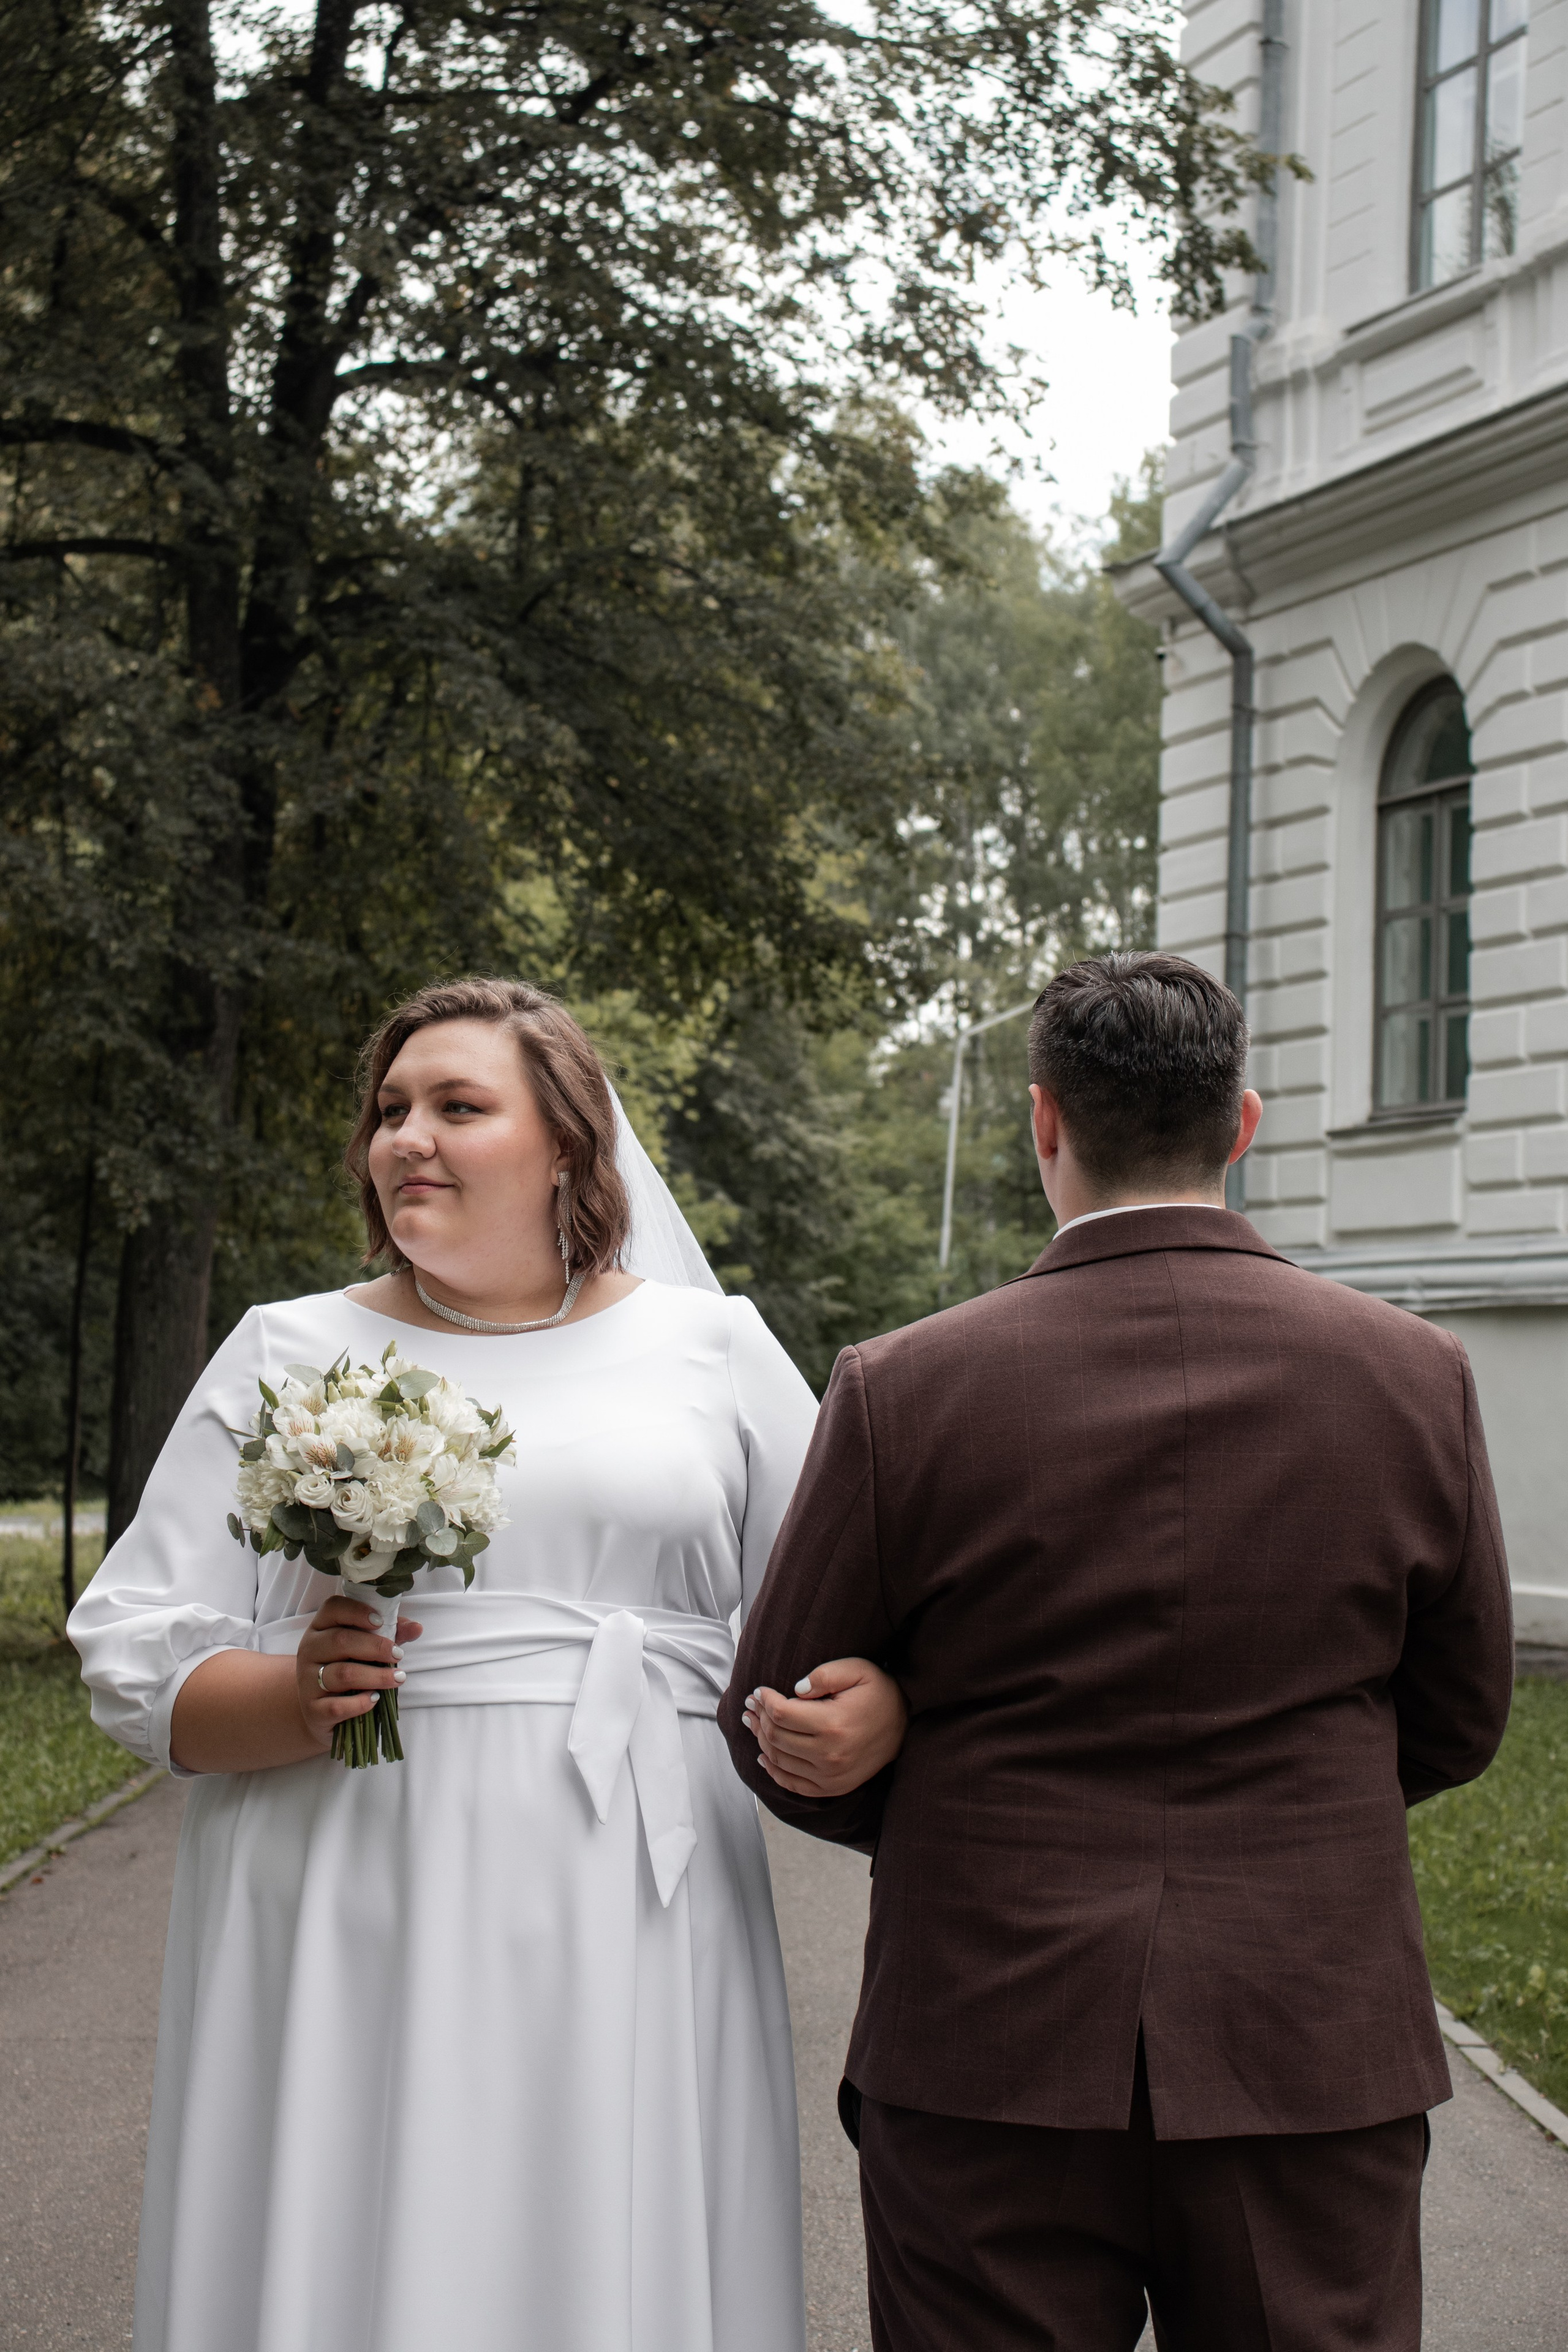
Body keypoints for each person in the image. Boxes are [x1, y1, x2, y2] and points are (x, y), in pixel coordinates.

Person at [70, 976, 907, 2352]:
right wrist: (286, 1696)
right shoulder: (291, 1349)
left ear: (569, 1145)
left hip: (631, 1887)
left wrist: (875, 1700)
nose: (409, 1136)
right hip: (345, 1880)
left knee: (598, 2217)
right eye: (390, 1110)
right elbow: (131, 1652)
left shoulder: (709, 1346)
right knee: (358, 2212)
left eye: (459, 1106)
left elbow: (848, 1608)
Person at [723, 951, 1515, 2352]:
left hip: (983, 2027)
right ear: (1243, 1123)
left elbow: (774, 1720)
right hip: (1305, 2035)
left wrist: (916, 1744)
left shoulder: (903, 1387)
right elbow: (1456, 1719)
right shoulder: (1414, 1376)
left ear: (1041, 1123)